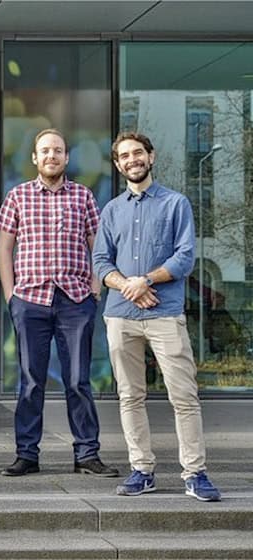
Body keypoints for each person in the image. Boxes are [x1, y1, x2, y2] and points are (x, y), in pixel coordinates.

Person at [93, 131, 221, 502]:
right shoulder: (112, 211)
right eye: (124, 156)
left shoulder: (175, 203)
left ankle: (195, 473)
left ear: (151, 156)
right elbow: (100, 261)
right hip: (120, 315)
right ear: (118, 165)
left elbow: (184, 258)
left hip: (164, 314)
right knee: (130, 395)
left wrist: (145, 280)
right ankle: (141, 470)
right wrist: (126, 285)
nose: (132, 160)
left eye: (138, 153)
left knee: (184, 395)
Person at [0, 128, 117, 478]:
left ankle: (87, 454)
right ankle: (27, 455)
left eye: (58, 151)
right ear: (35, 158)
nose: (51, 156)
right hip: (30, 300)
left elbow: (98, 246)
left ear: (66, 157)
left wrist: (95, 288)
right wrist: (10, 294)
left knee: (78, 380)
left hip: (75, 301)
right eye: (45, 150)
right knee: (31, 381)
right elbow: (5, 248)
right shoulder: (17, 196)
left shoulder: (83, 196)